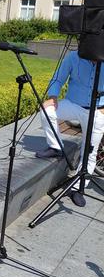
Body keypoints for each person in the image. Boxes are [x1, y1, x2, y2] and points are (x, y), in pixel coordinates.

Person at [35, 50, 104, 207]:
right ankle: (56, 146)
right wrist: (52, 97)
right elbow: (58, 79)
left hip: (98, 110)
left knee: (90, 153)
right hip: (73, 104)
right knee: (47, 111)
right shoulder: (73, 57)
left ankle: (77, 188)